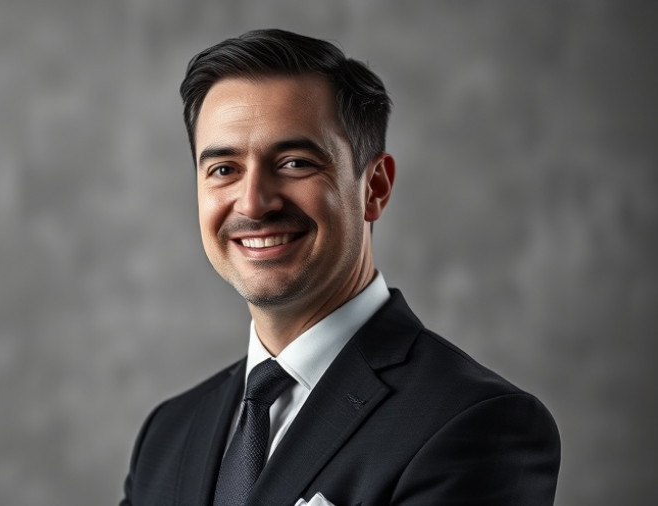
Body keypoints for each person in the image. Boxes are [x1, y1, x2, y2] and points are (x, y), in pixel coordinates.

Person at [120, 29, 560, 506]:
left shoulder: (477, 424)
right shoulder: (169, 434)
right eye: (224, 169)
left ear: (375, 187)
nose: (254, 202)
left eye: (293, 163)